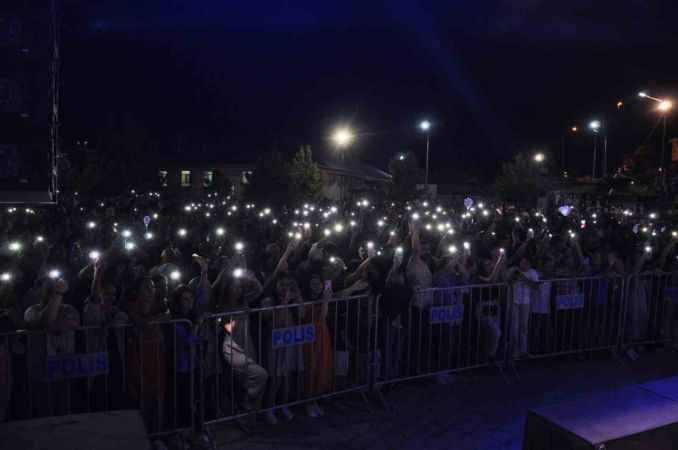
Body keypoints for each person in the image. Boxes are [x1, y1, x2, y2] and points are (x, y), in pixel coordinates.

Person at [301, 273, 334, 417]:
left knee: (321, 366)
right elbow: (320, 317)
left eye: (319, 284)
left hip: (322, 335)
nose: (317, 286)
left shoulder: (323, 298)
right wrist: (326, 301)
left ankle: (315, 398)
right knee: (311, 367)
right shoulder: (305, 300)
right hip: (309, 337)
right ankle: (308, 401)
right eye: (313, 283)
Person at [506, 257, 539, 359]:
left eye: (527, 262)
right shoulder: (512, 270)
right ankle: (514, 352)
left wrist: (523, 277)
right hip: (513, 300)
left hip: (525, 302)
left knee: (523, 327)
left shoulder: (532, 272)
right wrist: (516, 276)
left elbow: (536, 286)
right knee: (514, 327)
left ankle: (523, 351)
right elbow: (508, 282)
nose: (525, 264)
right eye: (523, 262)